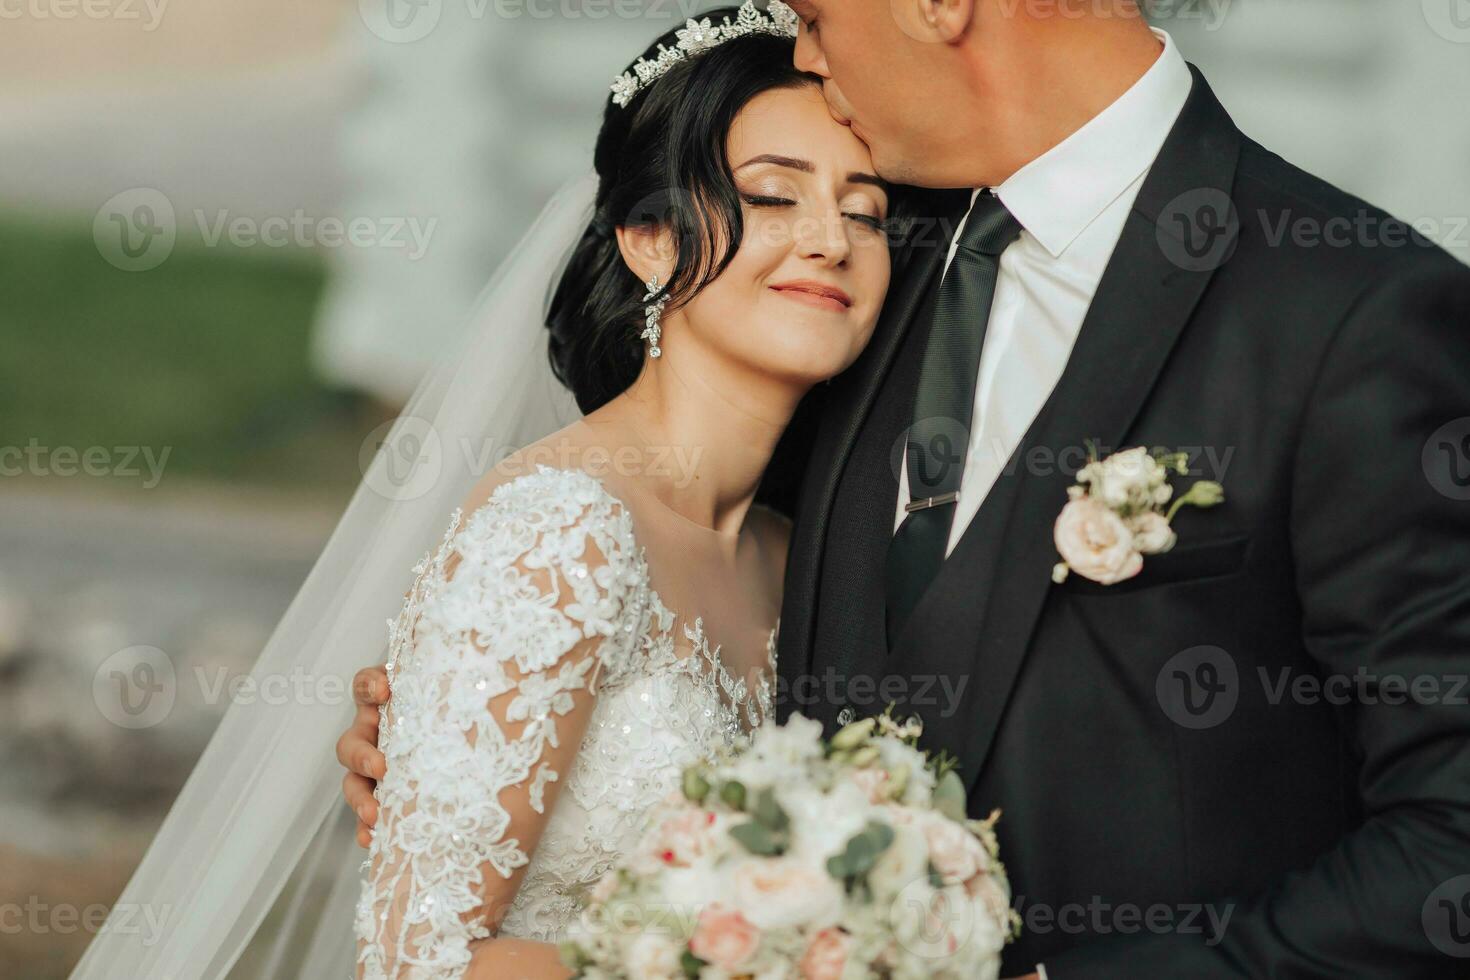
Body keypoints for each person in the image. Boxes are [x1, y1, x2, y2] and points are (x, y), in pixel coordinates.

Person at [343, 1, 1470, 977]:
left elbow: (1450, 840)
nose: (805, 50)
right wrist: (479, 738)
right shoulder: (864, 272)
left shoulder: (1354, 316)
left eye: (819, 15)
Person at [351, 8, 897, 978]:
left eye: (865, 211)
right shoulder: (558, 532)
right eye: (774, 197)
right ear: (649, 237)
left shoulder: (797, 556)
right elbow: (416, 954)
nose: (830, 239)